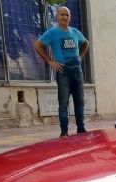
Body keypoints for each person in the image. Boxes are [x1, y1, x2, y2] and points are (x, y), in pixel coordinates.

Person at [34, 7, 90, 137]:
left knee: (79, 101)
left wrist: (80, 57)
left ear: (70, 16)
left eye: (67, 15)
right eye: (62, 14)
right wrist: (49, 61)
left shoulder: (75, 32)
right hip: (63, 73)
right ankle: (64, 132)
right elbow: (37, 45)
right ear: (57, 16)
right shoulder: (52, 33)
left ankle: (81, 129)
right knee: (63, 103)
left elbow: (86, 43)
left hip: (77, 72)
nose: (64, 17)